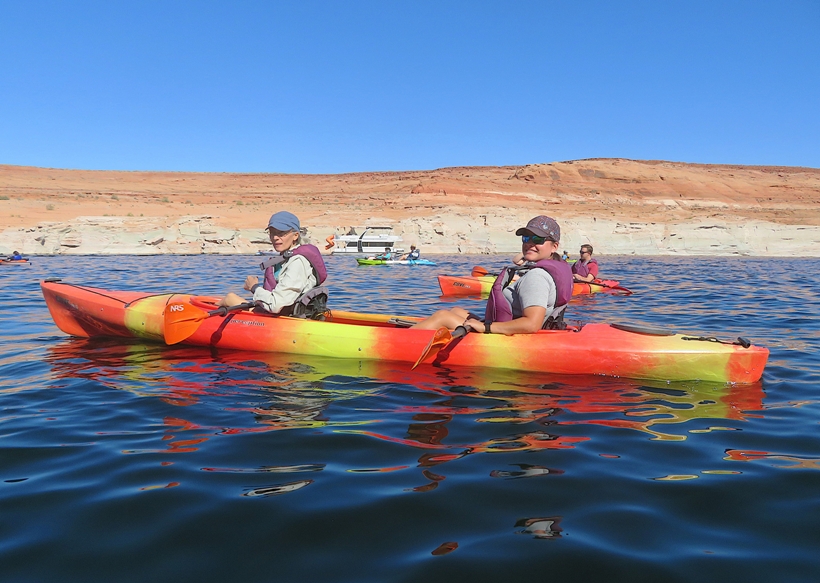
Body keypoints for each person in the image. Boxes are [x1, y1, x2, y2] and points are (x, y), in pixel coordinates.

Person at [412, 216, 573, 334]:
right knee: (457, 310)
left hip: (510, 336)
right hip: (506, 326)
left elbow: (531, 325)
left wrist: (486, 327)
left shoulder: (536, 277)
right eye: (526, 238)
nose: (529, 243)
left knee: (442, 316)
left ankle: (399, 341)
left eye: (538, 238)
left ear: (554, 247)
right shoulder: (550, 268)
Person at [220, 211, 328, 316]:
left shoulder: (298, 262)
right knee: (230, 298)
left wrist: (254, 287)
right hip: (283, 314)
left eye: (281, 233)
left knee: (230, 299)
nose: (275, 237)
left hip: (286, 319)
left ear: (295, 235)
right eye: (272, 232)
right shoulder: (288, 257)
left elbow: (276, 305)